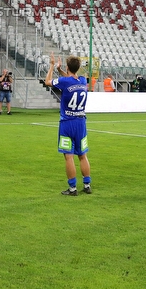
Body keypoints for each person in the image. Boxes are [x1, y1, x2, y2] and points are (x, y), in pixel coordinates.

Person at [46, 54, 91, 196]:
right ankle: (87, 185)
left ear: (67, 67)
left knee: (69, 156)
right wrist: (61, 70)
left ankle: (72, 188)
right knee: (83, 155)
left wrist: (53, 65)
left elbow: (47, 81)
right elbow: (70, 79)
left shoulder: (66, 82)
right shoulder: (83, 81)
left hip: (67, 123)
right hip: (81, 123)